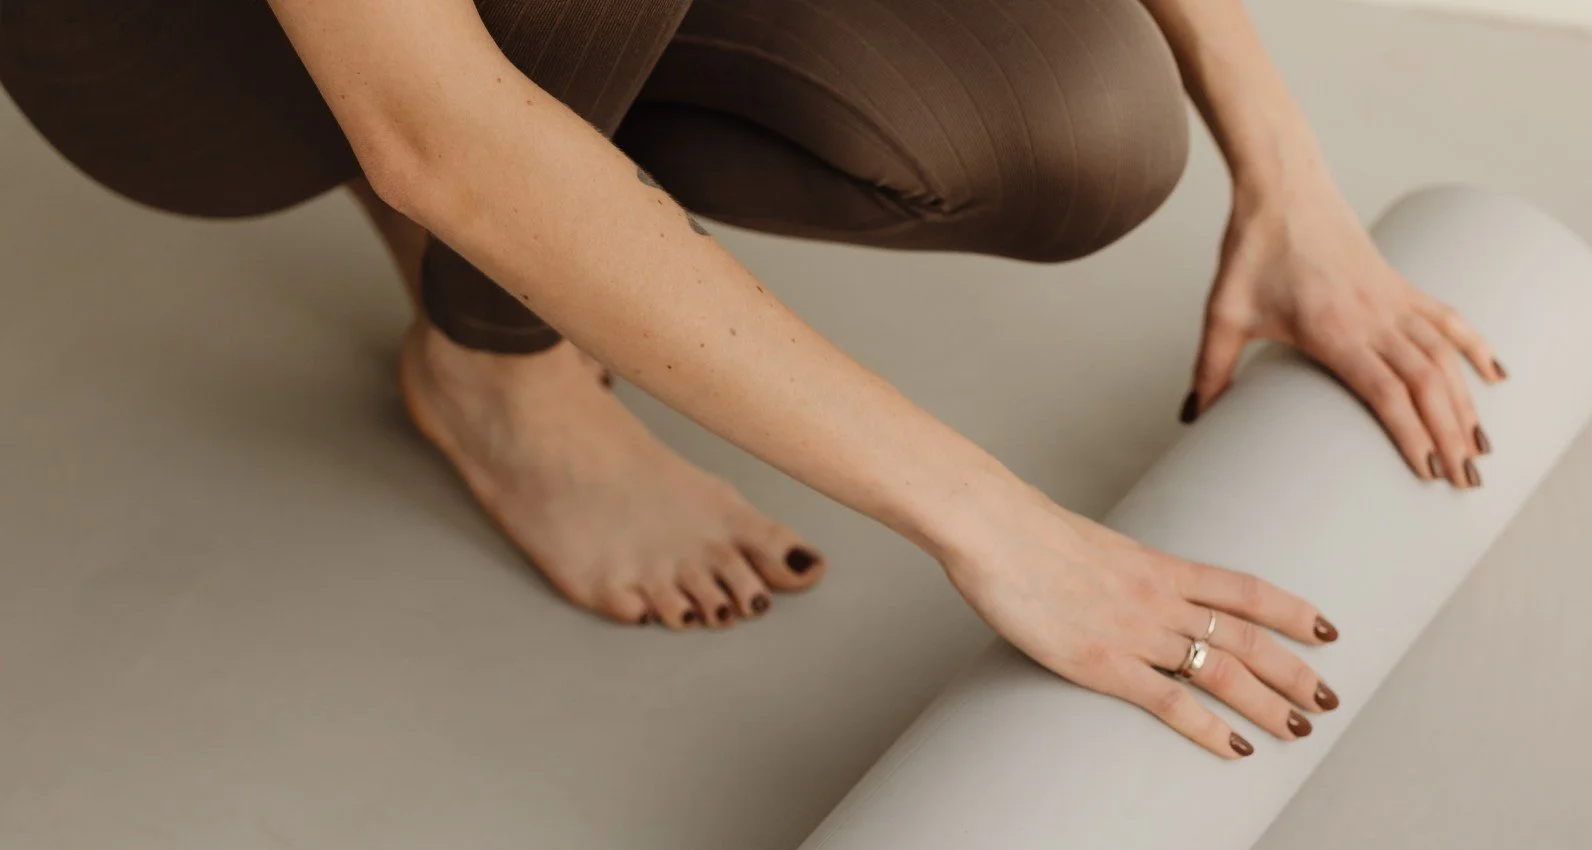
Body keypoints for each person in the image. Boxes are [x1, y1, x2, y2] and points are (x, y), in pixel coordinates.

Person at [0, 0, 1500, 758]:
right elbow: (438, 136)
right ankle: (498, 373)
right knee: (460, 138)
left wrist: (1289, 180)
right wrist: (1004, 529)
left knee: (1081, 127)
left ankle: (560, 173)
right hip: (176, 49)